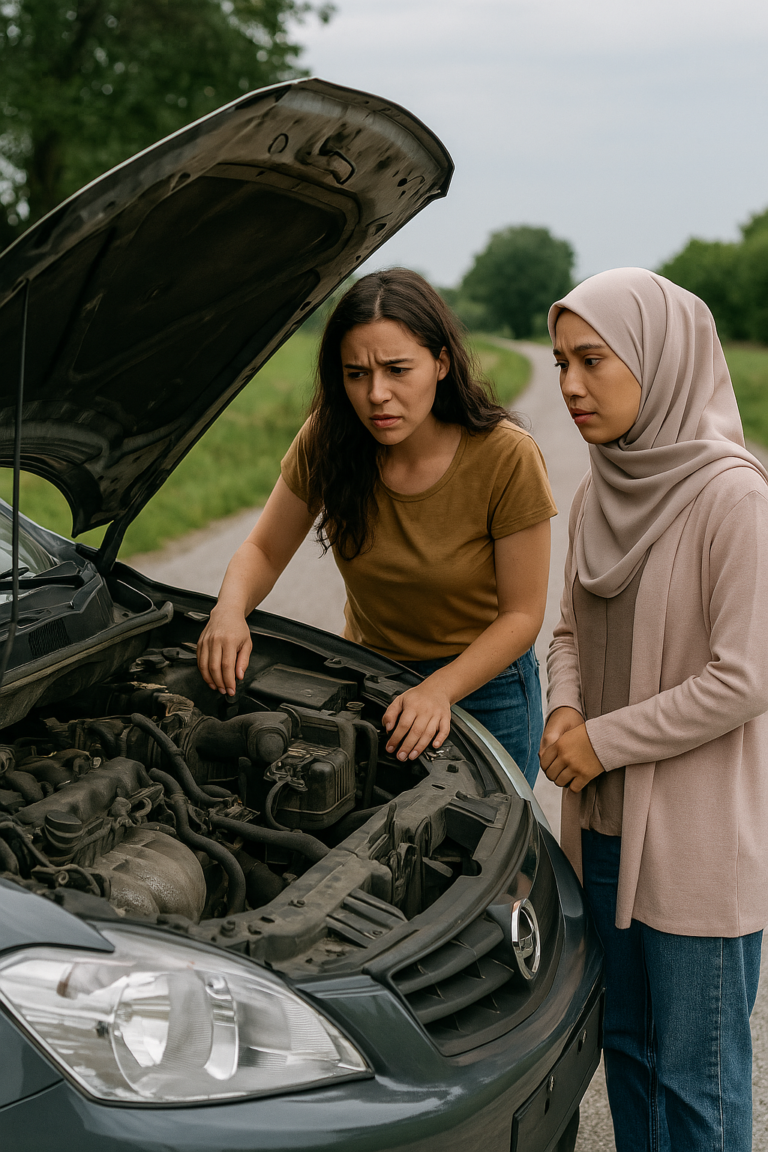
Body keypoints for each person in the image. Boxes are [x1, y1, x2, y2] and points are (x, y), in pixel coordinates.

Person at [540, 267, 768, 1151]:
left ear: (658, 360)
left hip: (693, 848)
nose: (569, 386)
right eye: (561, 362)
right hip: (600, 830)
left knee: (698, 1083)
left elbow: (744, 676)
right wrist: (564, 713)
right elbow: (565, 630)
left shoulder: (734, 497)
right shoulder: (602, 489)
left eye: (592, 360)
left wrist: (601, 740)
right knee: (625, 1052)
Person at [197, 268, 556, 786]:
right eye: (357, 373)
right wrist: (229, 610)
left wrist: (439, 689)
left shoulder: (506, 455)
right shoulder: (329, 436)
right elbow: (265, 551)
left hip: (485, 688)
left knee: (499, 857)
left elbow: (522, 615)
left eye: (396, 369)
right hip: (370, 675)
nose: (376, 394)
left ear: (441, 363)